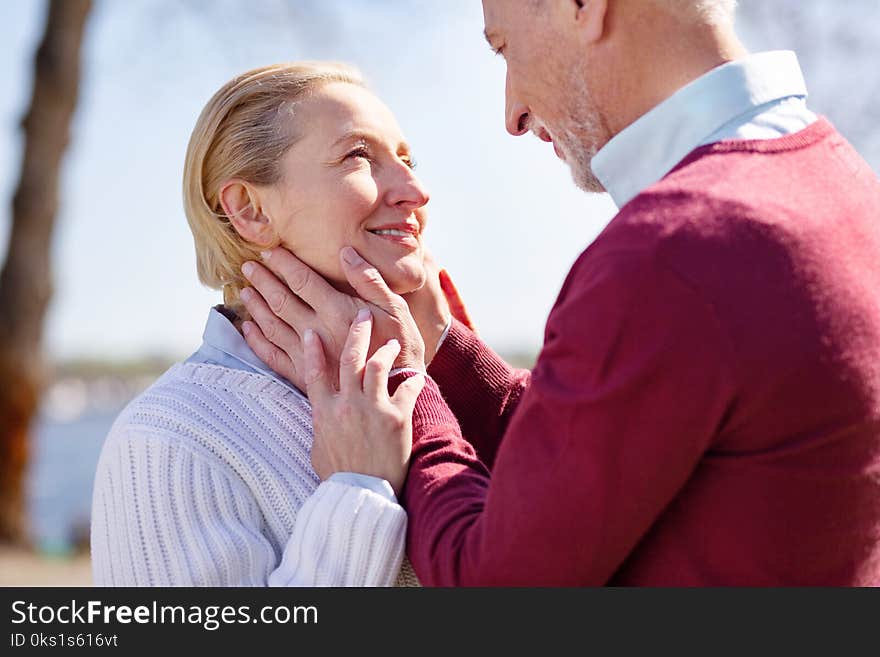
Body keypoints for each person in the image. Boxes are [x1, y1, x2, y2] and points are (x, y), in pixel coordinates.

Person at [238, 0, 880, 585]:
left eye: (504, 48)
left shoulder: (674, 252)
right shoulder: (842, 183)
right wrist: (446, 357)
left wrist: (410, 391)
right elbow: (607, 459)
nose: (512, 111)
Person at [89, 61, 457, 586]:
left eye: (406, 158)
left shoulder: (429, 388)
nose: (415, 191)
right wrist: (359, 490)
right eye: (359, 156)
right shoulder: (170, 437)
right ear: (250, 211)